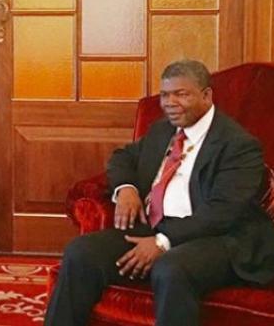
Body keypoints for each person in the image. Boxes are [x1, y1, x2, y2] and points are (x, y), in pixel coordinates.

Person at [45, 59, 274, 326]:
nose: (170, 103)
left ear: (206, 95)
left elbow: (222, 213)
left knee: (171, 268)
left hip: (219, 239)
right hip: (156, 226)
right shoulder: (162, 129)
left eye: (181, 94)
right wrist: (126, 189)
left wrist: (163, 241)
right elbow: (122, 157)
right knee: (82, 251)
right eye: (165, 95)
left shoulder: (238, 145)